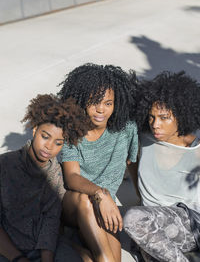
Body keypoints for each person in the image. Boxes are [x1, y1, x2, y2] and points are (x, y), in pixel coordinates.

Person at [58, 63, 138, 262]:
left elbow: (131, 163)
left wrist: (141, 198)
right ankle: (70, 243)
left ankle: (79, 251)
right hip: (75, 201)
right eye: (94, 102)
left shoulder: (127, 129)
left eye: (108, 103)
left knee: (113, 259)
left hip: (104, 206)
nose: (101, 109)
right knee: (86, 202)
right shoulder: (72, 130)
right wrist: (100, 194)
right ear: (82, 101)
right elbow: (71, 177)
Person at [0, 94, 90, 262]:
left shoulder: (56, 173)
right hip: (7, 249)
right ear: (35, 130)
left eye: (58, 143)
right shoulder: (4, 165)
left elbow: (51, 221)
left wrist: (46, 259)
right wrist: (18, 258)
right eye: (45, 136)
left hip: (43, 248)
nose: (49, 147)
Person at [123, 71, 200, 262]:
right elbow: (131, 162)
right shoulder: (144, 138)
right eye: (151, 117)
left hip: (189, 224)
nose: (155, 124)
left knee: (133, 218)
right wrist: (141, 194)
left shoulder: (196, 148)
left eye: (164, 117)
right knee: (147, 244)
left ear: (181, 116)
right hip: (152, 222)